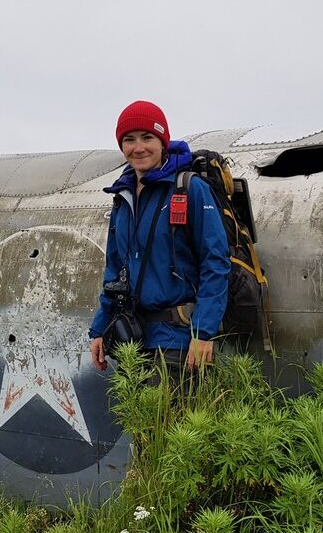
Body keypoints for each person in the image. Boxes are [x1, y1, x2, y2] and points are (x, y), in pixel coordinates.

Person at [88, 100, 231, 373]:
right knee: (133, 404)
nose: (138, 147)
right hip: (133, 342)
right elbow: (115, 270)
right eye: (129, 139)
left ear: (162, 141)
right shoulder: (122, 196)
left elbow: (215, 261)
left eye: (147, 137)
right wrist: (99, 328)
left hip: (178, 342)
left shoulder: (190, 188)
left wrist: (203, 331)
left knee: (173, 404)